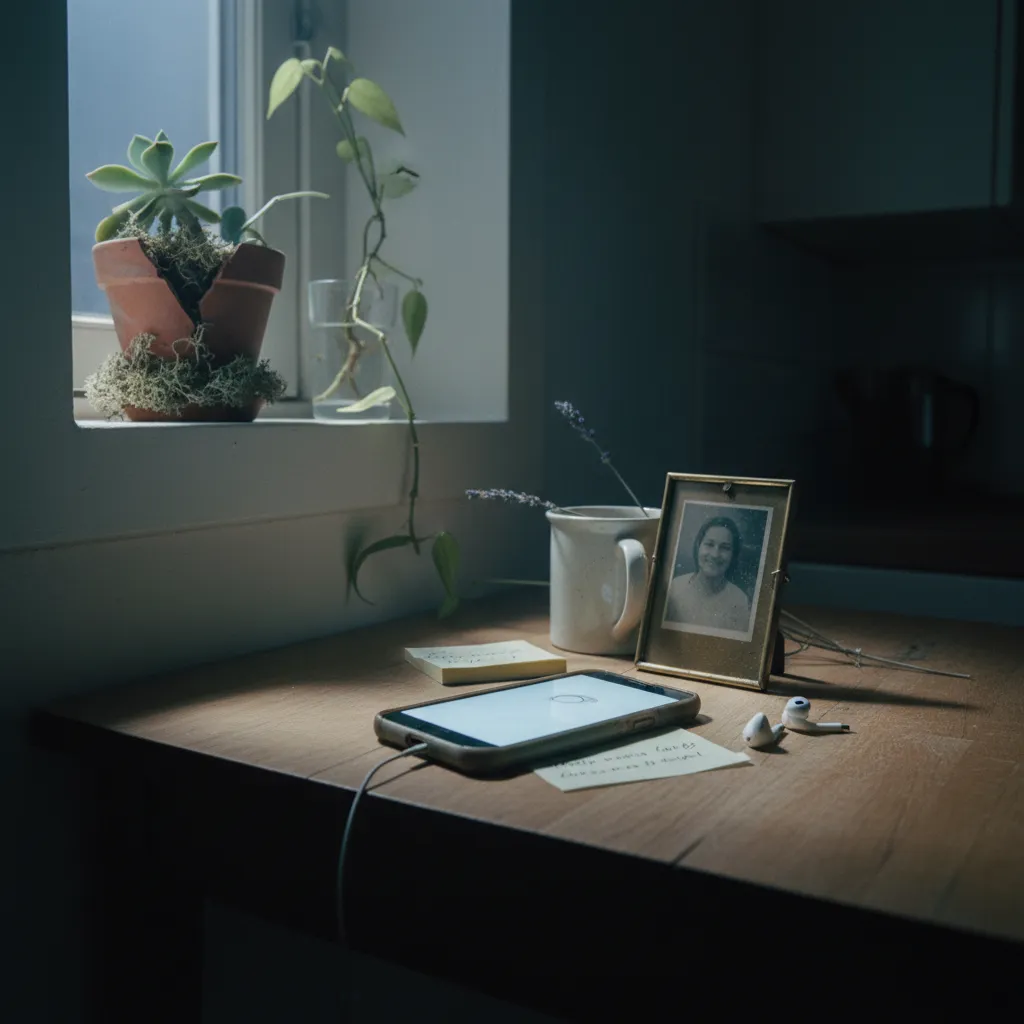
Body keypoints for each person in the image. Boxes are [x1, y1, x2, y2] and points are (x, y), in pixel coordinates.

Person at [664, 515, 751, 633]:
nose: (715, 554)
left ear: (733, 555)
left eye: (725, 548)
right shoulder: (675, 587)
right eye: (709, 544)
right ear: (698, 546)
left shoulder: (740, 600)